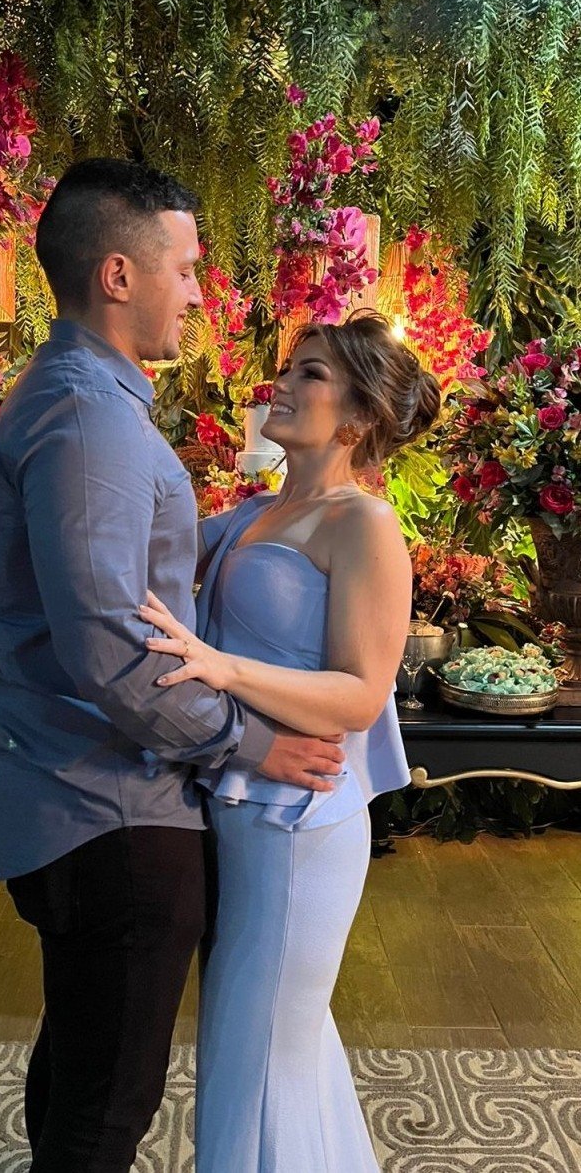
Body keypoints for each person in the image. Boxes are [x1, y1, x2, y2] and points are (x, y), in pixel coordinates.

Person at [0, 157, 346, 1173]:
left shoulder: (84, 401)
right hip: (109, 808)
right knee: (106, 1109)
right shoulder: (88, 419)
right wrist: (248, 743)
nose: (197, 292)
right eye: (184, 268)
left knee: (81, 1064)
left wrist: (281, 516)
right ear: (118, 275)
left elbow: (132, 577)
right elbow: (108, 648)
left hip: (85, 794)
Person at [140, 312, 441, 1172]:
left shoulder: (364, 524)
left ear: (357, 417)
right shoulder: (254, 515)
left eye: (310, 373)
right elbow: (142, 560)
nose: (282, 383)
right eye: (289, 367)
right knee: (274, 1049)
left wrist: (221, 668)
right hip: (235, 809)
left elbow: (361, 694)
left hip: (301, 824)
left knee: (253, 1057)